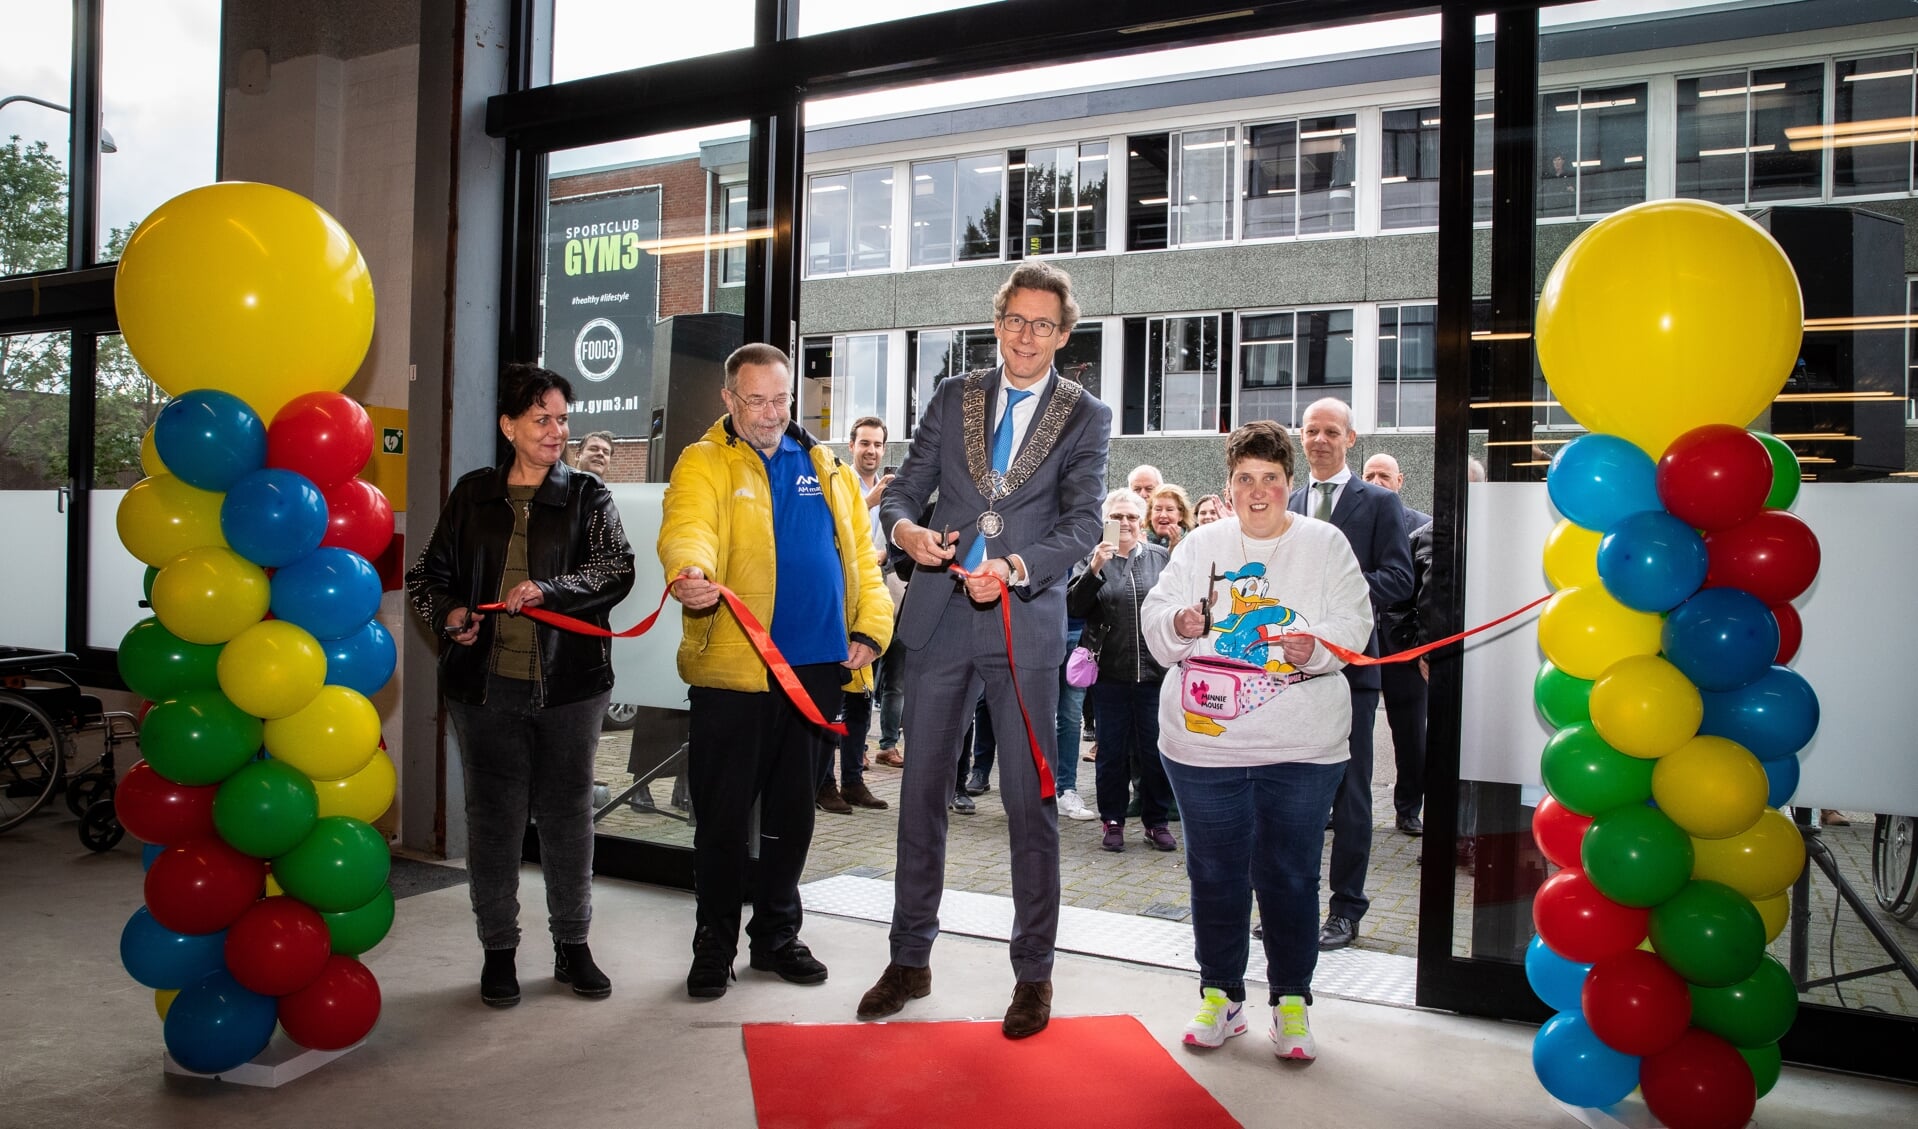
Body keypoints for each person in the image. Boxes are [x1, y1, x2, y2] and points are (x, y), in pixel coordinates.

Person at [859, 260, 1111, 1040]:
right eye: (1014, 319)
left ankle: (1033, 974)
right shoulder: (954, 394)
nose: (1026, 334)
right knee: (921, 797)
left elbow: (1085, 523)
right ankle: (909, 958)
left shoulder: (1085, 415)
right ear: (996, 322)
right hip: (938, 619)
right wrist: (902, 529)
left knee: (1028, 804)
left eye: (1043, 323)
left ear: (1065, 336)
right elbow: (905, 489)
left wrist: (1017, 567)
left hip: (1023, 623)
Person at [659, 343, 893, 999]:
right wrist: (691, 571)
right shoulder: (703, 461)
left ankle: (776, 937)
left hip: (818, 671)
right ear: (729, 400)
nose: (769, 412)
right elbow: (687, 527)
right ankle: (714, 943)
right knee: (724, 817)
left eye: (780, 398)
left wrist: (872, 629)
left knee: (793, 813)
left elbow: (861, 564)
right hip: (735, 671)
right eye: (755, 398)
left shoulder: (828, 466)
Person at [1141, 420, 1373, 1062]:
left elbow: (1356, 621)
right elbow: (1155, 616)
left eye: (1271, 478)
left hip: (1302, 747)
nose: (1259, 491)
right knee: (1213, 872)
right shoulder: (1199, 544)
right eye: (1246, 478)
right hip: (1204, 748)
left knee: (1291, 875)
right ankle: (1221, 995)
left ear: (1291, 485)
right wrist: (1180, 622)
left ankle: (1291, 1001)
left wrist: (1317, 647)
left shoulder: (1326, 544)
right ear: (1230, 484)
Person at [406, 362, 636, 1009]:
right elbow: (430, 576)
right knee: (495, 823)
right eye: (543, 419)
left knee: (568, 821)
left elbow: (616, 568)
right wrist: (451, 614)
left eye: (563, 418)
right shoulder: (471, 494)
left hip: (572, 686)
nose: (557, 430)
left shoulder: (589, 495)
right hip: (484, 692)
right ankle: (499, 951)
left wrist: (550, 589)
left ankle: (573, 945)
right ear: (509, 425)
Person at [1288, 398, 1414, 953]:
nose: (1319, 440)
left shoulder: (1380, 503)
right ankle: (1291, 904)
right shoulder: (1286, 500)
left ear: (1350, 439)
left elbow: (1398, 579)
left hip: (1349, 674)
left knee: (1351, 794)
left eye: (1330, 431)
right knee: (1292, 797)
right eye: (1311, 430)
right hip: (1283, 672)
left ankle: (1345, 910)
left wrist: (1331, 594)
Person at [1068, 489, 1176, 853]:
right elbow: (1075, 607)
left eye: (1131, 517)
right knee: (1112, 754)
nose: (1124, 523)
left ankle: (1156, 821)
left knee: (1155, 752)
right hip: (1111, 674)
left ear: (1141, 521)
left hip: (1154, 673)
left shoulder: (1160, 557)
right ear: (1105, 522)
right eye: (1116, 518)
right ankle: (1112, 820)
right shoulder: (1091, 558)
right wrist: (1096, 568)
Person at [817, 414, 897, 814]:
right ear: (851, 446)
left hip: (872, 601)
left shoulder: (890, 490)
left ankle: (853, 780)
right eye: (864, 443)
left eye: (878, 444)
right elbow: (829, 530)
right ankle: (823, 783)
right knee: (830, 699)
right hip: (836, 602)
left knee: (862, 701)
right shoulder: (835, 481)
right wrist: (869, 502)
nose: (871, 451)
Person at [1361, 453, 1432, 837]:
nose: (1377, 480)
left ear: (1400, 480)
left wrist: (1423, 646)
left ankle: (1408, 809)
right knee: (1354, 732)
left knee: (1410, 736)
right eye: (1370, 474)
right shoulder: (1351, 526)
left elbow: (1427, 591)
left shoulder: (1422, 527)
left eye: (1384, 474)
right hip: (1356, 646)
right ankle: (1349, 808)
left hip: (1403, 651)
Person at [1147, 483, 1195, 551]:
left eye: (1169, 510)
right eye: (1158, 509)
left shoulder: (1191, 544)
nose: (1163, 515)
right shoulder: (1137, 542)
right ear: (1150, 514)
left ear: (1181, 515)